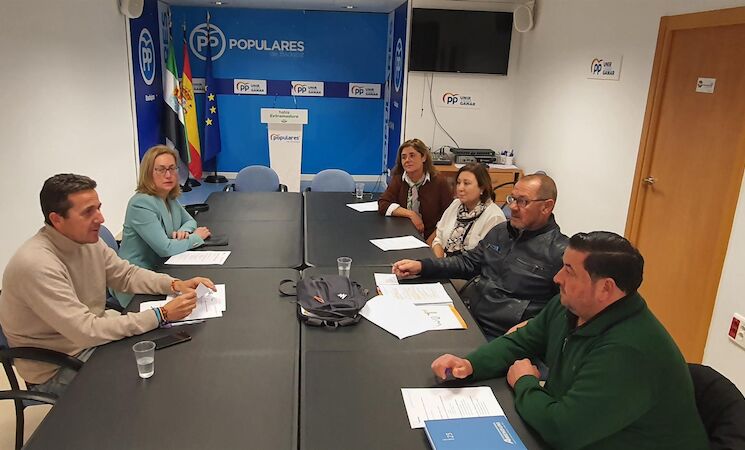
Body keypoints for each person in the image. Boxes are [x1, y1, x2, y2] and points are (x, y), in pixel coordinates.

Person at [430, 232, 709, 450]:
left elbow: (563, 431)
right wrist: (470, 364)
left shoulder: (630, 351)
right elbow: (521, 341)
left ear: (606, 288)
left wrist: (525, 382)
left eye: (569, 271)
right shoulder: (570, 306)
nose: (557, 278)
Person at [0, 174, 215, 397]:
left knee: (167, 356)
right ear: (57, 219)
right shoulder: (37, 265)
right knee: (152, 378)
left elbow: (126, 275)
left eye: (98, 208)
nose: (101, 218)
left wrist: (174, 284)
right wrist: (162, 314)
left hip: (90, 340)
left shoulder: (86, 240)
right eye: (88, 212)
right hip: (58, 366)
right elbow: (86, 330)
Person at [393, 173, 567, 339]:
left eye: (523, 201)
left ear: (546, 206)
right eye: (512, 199)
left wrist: (531, 328)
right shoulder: (501, 231)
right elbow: (468, 263)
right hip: (470, 317)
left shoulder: (561, 253)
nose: (513, 207)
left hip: (504, 335)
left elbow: (566, 311)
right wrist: (423, 266)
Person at [117, 146, 210, 306]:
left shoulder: (168, 197)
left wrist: (184, 231)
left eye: (172, 168)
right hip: (135, 281)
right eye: (161, 170)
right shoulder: (141, 204)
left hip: (161, 270)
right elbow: (165, 248)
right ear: (148, 173)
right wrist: (196, 237)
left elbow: (190, 221)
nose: (168, 175)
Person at [378, 138, 452, 243]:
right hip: (402, 234)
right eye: (404, 157)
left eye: (412, 155)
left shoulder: (439, 182)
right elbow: (383, 204)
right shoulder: (398, 179)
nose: (407, 160)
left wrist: (429, 244)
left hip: (431, 237)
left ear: (423, 157)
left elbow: (448, 218)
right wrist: (411, 214)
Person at [431, 163, 505, 258]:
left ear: (482, 188)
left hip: (471, 266)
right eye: (458, 183)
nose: (460, 188)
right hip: (444, 262)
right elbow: (438, 238)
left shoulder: (494, 217)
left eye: (466, 183)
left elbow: (487, 258)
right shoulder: (456, 204)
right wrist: (440, 262)